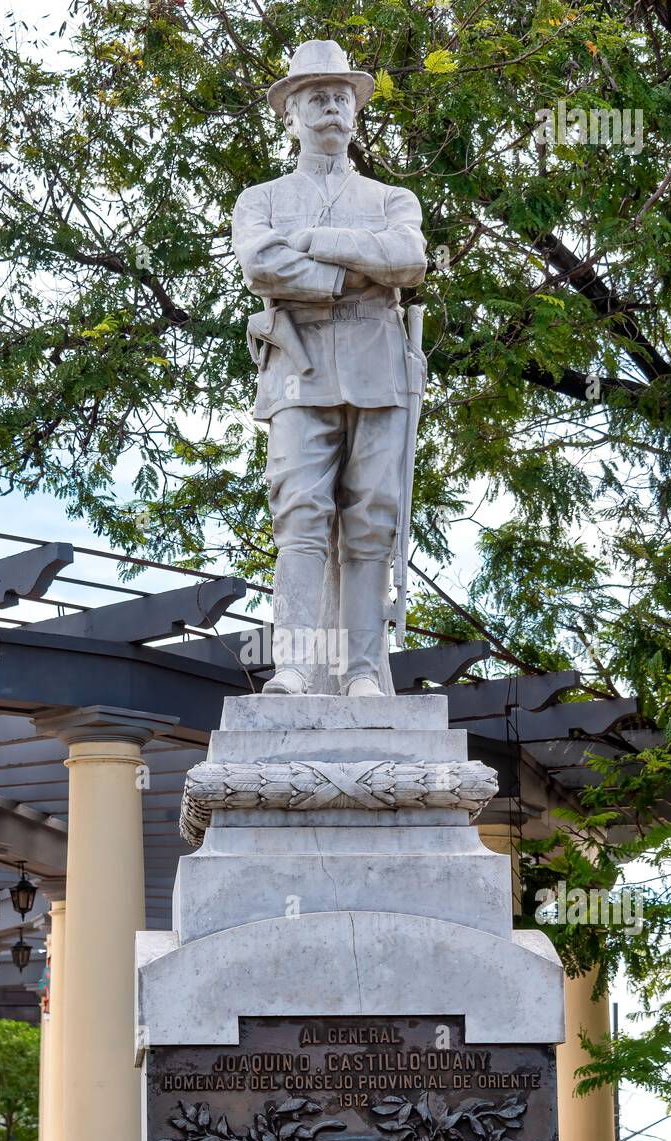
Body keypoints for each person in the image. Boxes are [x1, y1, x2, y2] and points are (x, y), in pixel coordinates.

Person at [232, 39, 427, 696]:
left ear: (355, 112)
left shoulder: (390, 198)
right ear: (289, 112)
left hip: (379, 372)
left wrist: (318, 244)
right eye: (316, 96)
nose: (331, 105)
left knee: (372, 517)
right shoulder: (259, 200)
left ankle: (365, 671)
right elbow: (261, 265)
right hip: (298, 366)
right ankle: (294, 666)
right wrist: (354, 278)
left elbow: (407, 259)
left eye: (341, 95)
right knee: (300, 512)